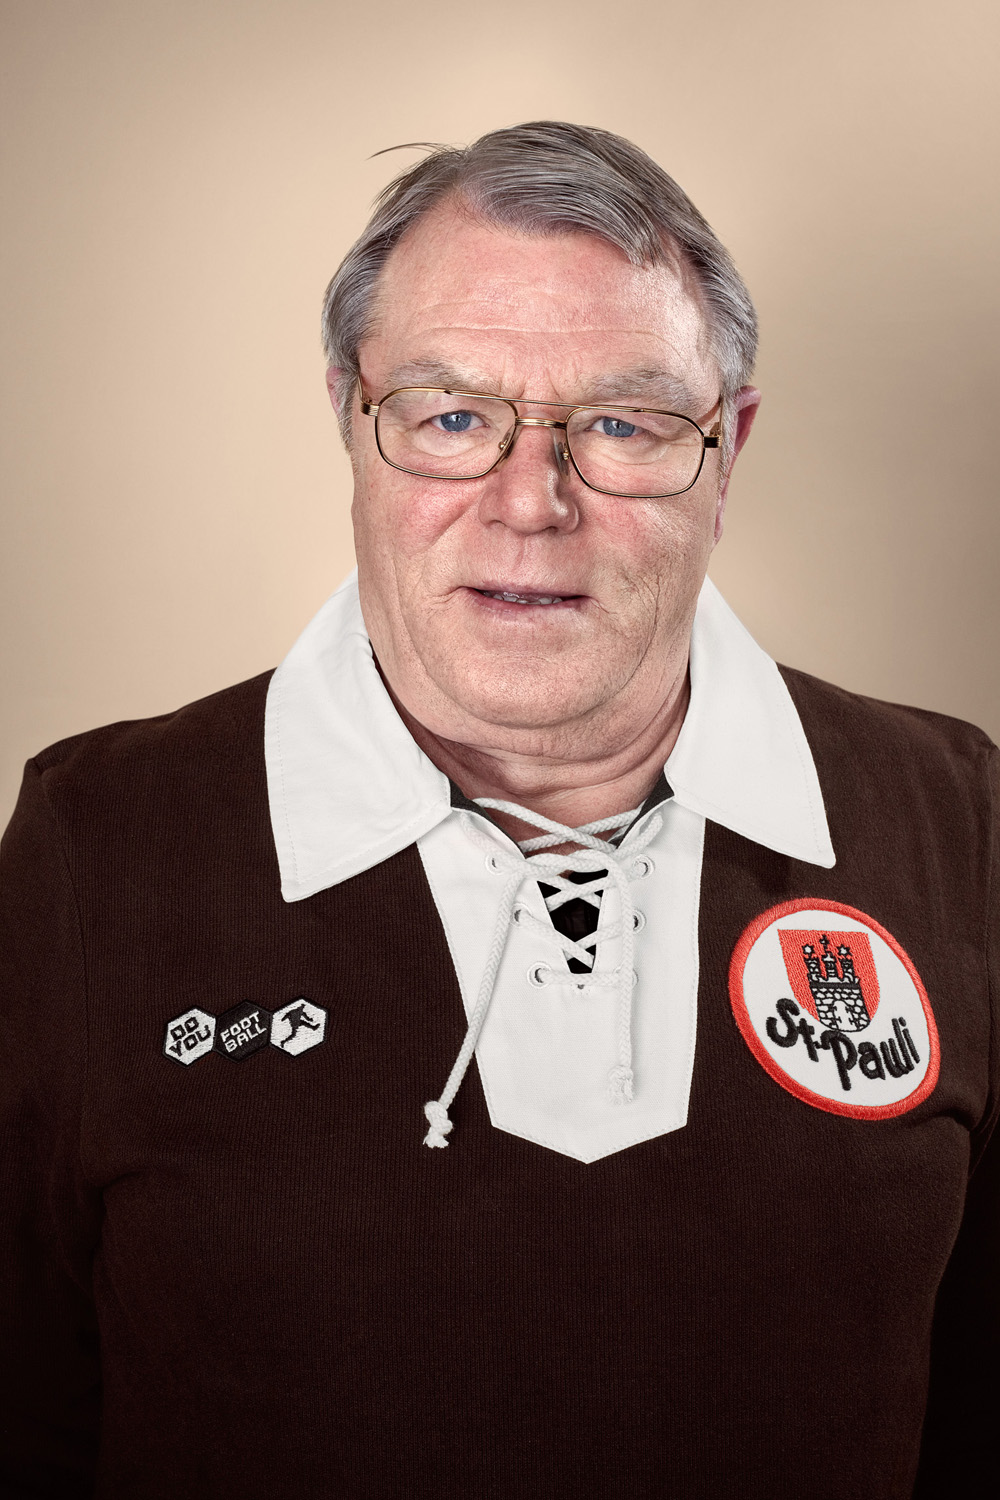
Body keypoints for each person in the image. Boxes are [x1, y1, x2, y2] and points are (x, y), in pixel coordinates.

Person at [0, 121, 995, 1500]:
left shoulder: (959, 827)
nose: (531, 502)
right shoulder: (91, 848)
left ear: (729, 452)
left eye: (624, 425)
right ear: (352, 419)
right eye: (453, 417)